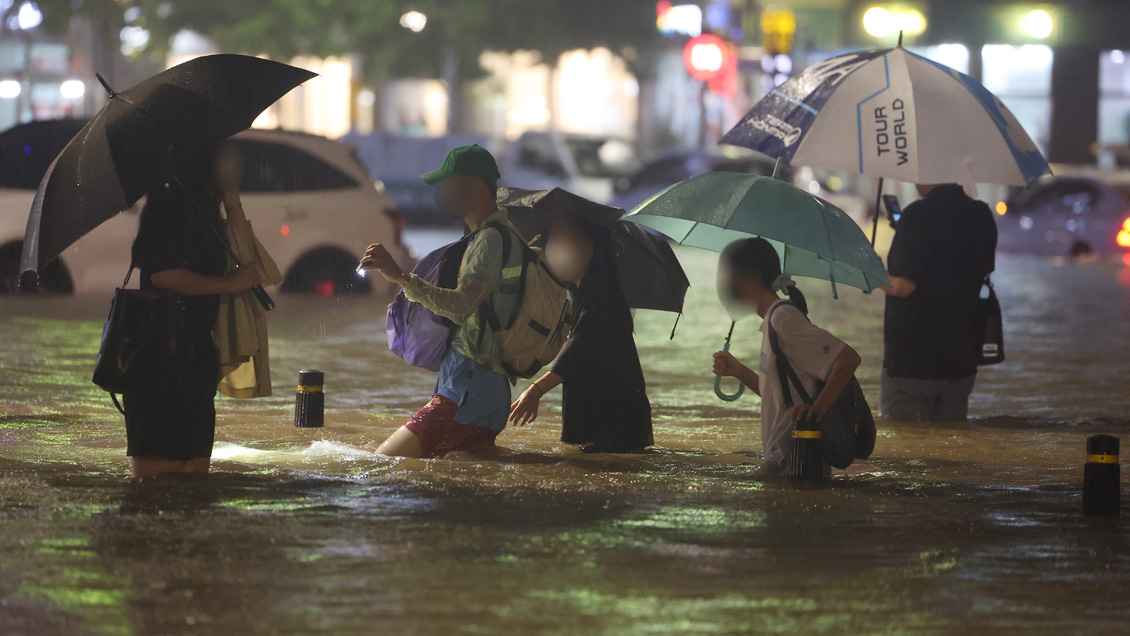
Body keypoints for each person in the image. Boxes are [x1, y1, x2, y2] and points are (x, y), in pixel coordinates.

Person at [361, 145, 522, 459]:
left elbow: (462, 306)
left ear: (473, 186)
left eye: (449, 184)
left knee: (382, 464)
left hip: (466, 393)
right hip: (480, 390)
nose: (442, 192)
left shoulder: (489, 240)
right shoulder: (499, 235)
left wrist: (399, 276)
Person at [124, 142, 263, 479]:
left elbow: (253, 267)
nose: (234, 165)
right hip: (157, 359)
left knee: (194, 477)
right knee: (157, 482)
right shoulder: (168, 207)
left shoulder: (207, 210)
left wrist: (232, 200)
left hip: (196, 357)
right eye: (224, 158)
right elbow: (163, 274)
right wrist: (228, 285)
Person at [710, 238, 862, 475]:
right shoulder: (771, 321)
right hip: (782, 464)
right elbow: (778, 395)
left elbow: (848, 358)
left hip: (799, 464)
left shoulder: (784, 319)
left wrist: (817, 410)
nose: (726, 285)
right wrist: (740, 371)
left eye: (731, 275)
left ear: (751, 277)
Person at [508, 215, 653, 453]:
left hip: (613, 420)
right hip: (612, 418)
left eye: (572, 240)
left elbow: (578, 349)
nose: (561, 248)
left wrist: (536, 391)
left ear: (591, 246)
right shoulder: (587, 291)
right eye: (556, 240)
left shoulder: (600, 291)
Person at [881, 183, 997, 422]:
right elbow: (974, 266)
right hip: (961, 361)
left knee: (909, 451)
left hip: (913, 362)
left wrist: (868, 271)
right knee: (951, 450)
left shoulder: (916, 215)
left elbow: (901, 286)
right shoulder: (982, 214)